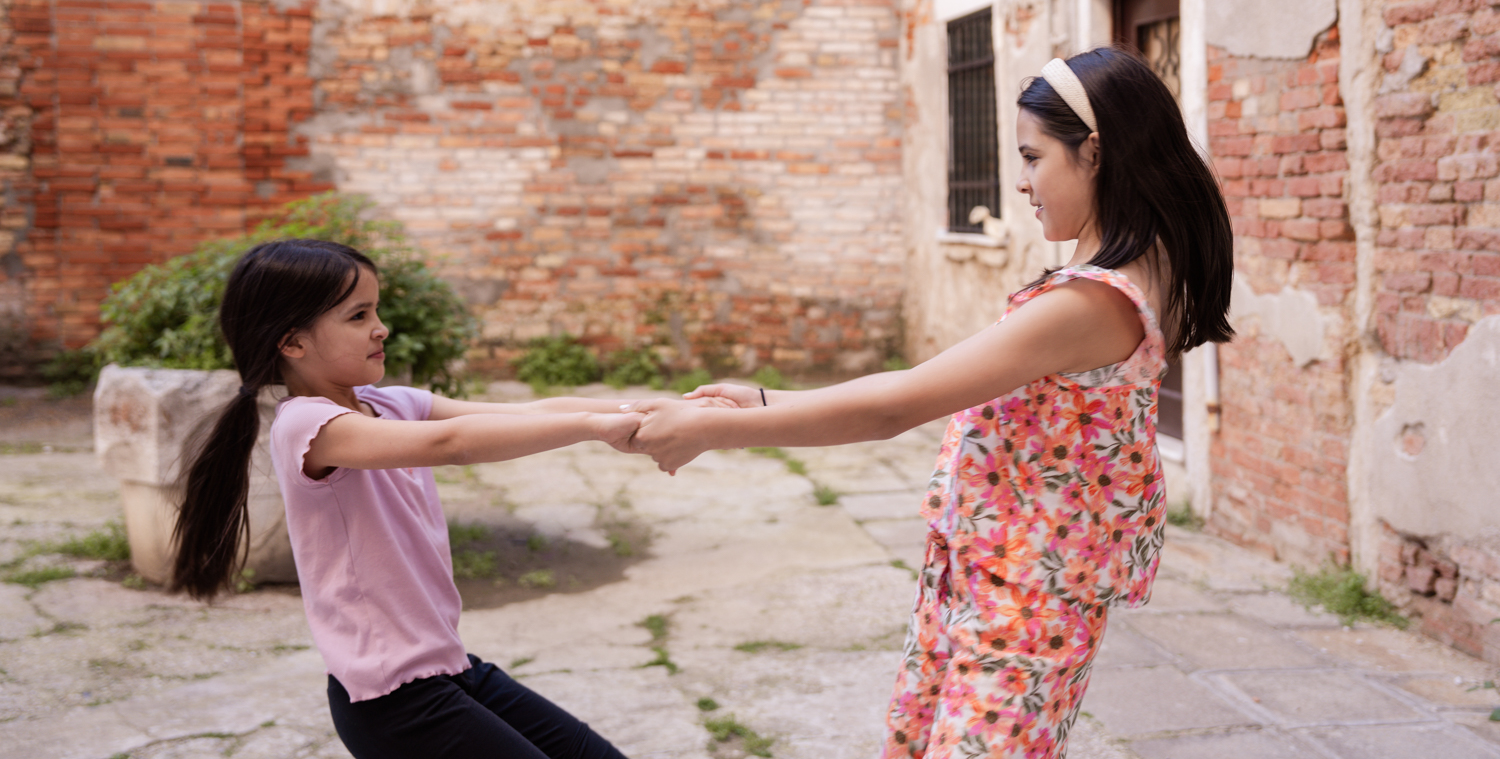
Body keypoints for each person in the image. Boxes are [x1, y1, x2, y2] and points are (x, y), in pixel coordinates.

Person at [626, 48, 1235, 759]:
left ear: (1093, 153)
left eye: (1034, 158)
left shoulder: (1090, 302)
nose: (1022, 181)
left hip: (1023, 606)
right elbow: (920, 385)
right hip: (991, 579)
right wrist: (760, 397)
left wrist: (715, 430)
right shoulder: (1125, 271)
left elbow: (897, 405)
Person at [169, 238, 652, 759]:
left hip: (447, 667)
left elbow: (526, 412)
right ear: (293, 343)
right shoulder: (309, 426)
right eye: (358, 316)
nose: (382, 327)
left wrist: (645, 409)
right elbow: (454, 444)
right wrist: (594, 428)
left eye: (376, 310)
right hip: (393, 698)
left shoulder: (389, 403)